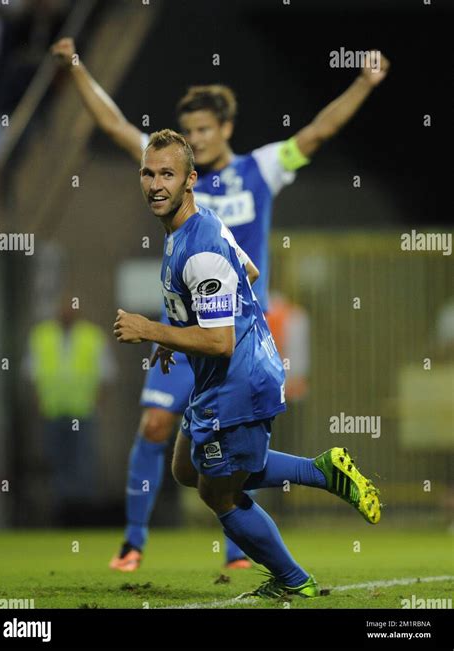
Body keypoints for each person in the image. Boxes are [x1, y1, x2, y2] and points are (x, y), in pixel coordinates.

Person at [51, 37, 389, 570]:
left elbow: (319, 130)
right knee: (171, 442)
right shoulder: (173, 173)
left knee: (220, 468)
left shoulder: (261, 168)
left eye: (205, 130)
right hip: (188, 328)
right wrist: (74, 67)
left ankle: (250, 557)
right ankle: (135, 540)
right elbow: (116, 126)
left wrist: (364, 82)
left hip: (229, 334)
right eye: (189, 133)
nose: (196, 141)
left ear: (226, 129)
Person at [113, 130, 381, 599]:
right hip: (221, 378)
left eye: (167, 174)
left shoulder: (199, 249)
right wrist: (180, 332)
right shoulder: (196, 226)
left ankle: (294, 580)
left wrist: (152, 329)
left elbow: (218, 340)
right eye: (148, 173)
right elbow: (249, 274)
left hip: (239, 380)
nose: (156, 184)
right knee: (185, 468)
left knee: (216, 492)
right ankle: (321, 472)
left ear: (190, 180)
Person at [24, 296, 116, 520]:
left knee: (83, 462)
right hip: (53, 412)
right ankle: (61, 513)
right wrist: (40, 404)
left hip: (83, 413)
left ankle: (81, 513)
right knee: (57, 463)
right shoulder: (41, 336)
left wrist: (95, 404)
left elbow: (107, 374)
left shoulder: (91, 336)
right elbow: (31, 373)